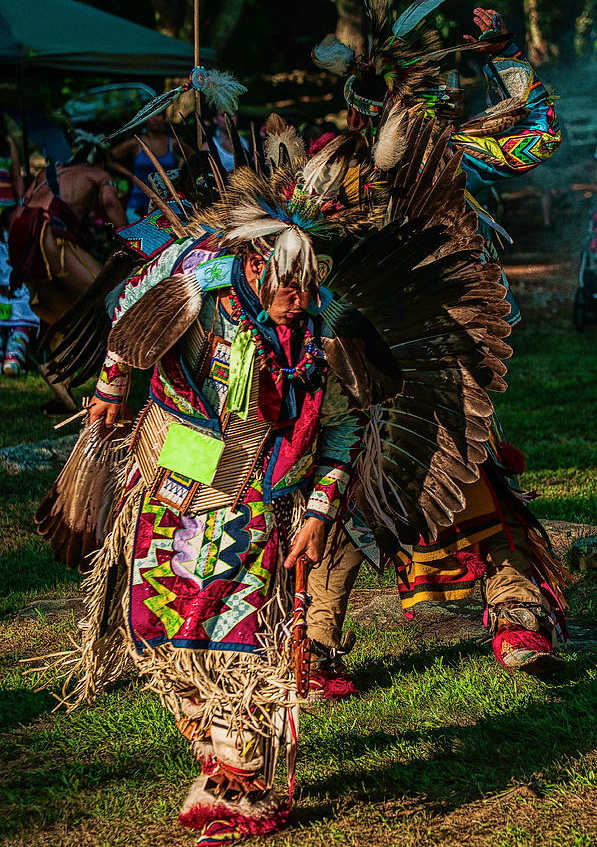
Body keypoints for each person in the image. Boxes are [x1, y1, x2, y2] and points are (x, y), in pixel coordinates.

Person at [36, 104, 512, 844]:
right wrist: (108, 390)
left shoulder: (328, 320)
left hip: (262, 494)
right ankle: (209, 747)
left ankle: (238, 785)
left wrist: (320, 513)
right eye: (287, 280)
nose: (299, 293)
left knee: (242, 639)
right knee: (164, 638)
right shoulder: (195, 273)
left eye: (310, 278)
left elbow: (345, 428)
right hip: (170, 482)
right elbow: (130, 313)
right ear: (255, 262)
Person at [308, 0, 568, 693]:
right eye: (412, 107)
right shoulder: (332, 174)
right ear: (376, 113)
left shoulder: (456, 154)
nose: (429, 117)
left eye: (433, 110)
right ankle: (313, 640)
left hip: (451, 344)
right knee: (356, 481)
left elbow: (537, 134)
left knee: (470, 470)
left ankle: (514, 615)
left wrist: (506, 55)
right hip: (360, 350)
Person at [7, 131, 128, 410]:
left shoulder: (50, 172)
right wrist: (131, 241)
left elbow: (25, 203)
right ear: (100, 159)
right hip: (47, 234)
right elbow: (110, 203)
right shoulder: (98, 175)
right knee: (109, 295)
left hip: (21, 235)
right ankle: (99, 378)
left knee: (63, 306)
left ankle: (57, 378)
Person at [0, 112, 38, 375]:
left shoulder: (6, 143)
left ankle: (15, 353)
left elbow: (16, 178)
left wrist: (21, 206)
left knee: (14, 280)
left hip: (7, 222)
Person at [110, 111, 190, 220]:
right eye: (151, 115)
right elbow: (109, 159)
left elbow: (194, 157)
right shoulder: (134, 143)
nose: (155, 119)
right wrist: (130, 176)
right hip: (138, 205)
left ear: (164, 118)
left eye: (159, 115)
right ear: (144, 118)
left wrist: (180, 171)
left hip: (169, 207)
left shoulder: (173, 143)